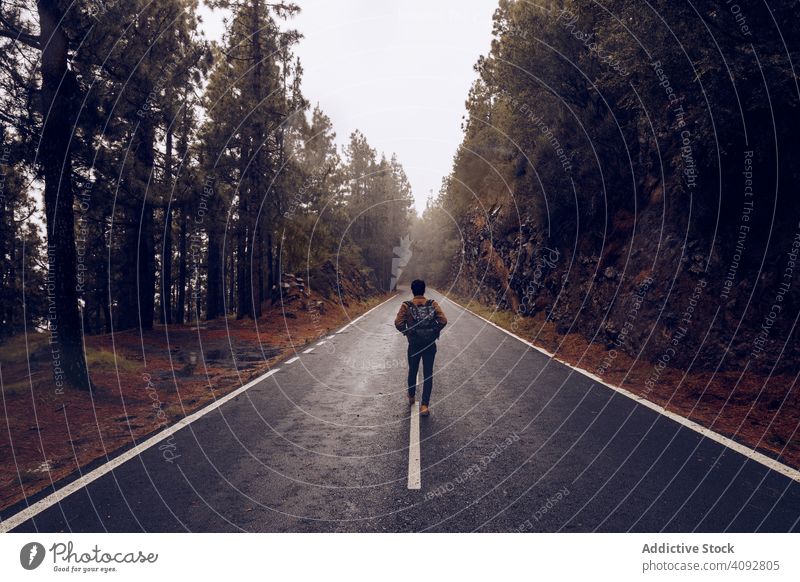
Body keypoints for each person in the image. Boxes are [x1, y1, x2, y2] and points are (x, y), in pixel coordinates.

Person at [394, 279, 447, 416]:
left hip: (414, 345)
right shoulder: (432, 304)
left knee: (413, 370)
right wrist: (434, 331)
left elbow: (398, 323)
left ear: (412, 290)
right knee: (428, 374)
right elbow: (443, 320)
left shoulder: (406, 306)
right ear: (424, 290)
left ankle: (411, 396)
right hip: (430, 344)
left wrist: (408, 332)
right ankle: (424, 406)